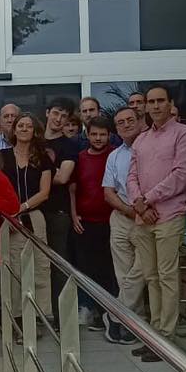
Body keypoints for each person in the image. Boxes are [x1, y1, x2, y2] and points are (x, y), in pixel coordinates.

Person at [128, 85, 186, 355]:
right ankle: (154, 334)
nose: (155, 106)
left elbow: (182, 175)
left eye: (160, 101)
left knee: (168, 275)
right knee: (151, 276)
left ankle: (166, 338)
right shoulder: (142, 139)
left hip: (169, 214)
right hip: (144, 216)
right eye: (150, 102)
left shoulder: (184, 134)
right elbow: (131, 176)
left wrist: (149, 199)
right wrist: (139, 203)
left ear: (170, 104)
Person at [102, 108, 149, 345]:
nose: (126, 125)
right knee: (124, 273)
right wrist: (129, 211)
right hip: (122, 216)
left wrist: (142, 211)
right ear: (116, 129)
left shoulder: (153, 148)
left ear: (141, 121)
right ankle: (135, 323)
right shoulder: (115, 155)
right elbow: (108, 192)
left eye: (131, 120)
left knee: (141, 270)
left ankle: (114, 314)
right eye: (120, 122)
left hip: (149, 217)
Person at [2, 114, 53, 326]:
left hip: (33, 215)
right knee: (14, 265)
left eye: (29, 126)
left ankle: (40, 316)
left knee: (40, 266)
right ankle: (18, 319)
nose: (24, 129)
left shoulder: (43, 157)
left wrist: (21, 207)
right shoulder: (2, 156)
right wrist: (10, 211)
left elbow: (45, 192)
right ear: (13, 130)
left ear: (34, 131)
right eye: (20, 126)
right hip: (8, 219)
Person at [70, 117, 116, 331]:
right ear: (87, 135)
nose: (98, 138)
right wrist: (74, 214)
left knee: (109, 269)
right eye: (94, 134)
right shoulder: (79, 158)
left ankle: (111, 313)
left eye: (102, 134)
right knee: (88, 269)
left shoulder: (115, 155)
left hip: (111, 222)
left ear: (109, 135)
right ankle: (93, 311)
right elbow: (73, 189)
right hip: (85, 223)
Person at [42, 98, 81, 323]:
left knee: (59, 265)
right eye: (56, 113)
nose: (58, 119)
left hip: (57, 212)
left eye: (64, 116)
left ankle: (61, 317)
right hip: (32, 211)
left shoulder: (70, 145)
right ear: (47, 112)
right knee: (35, 265)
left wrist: (39, 176)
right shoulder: (34, 140)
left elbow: (63, 177)